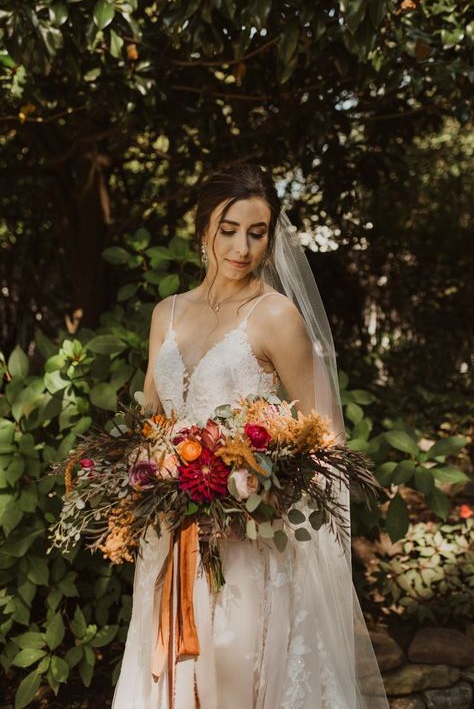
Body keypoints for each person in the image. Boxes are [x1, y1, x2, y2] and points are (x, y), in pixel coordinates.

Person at [112, 164, 388, 708]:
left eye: (257, 233)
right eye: (229, 229)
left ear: (271, 237)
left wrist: (254, 492)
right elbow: (151, 415)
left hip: (247, 540)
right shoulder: (166, 314)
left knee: (237, 673)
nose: (242, 247)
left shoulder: (276, 316)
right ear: (203, 231)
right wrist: (143, 474)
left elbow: (320, 437)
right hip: (171, 535)